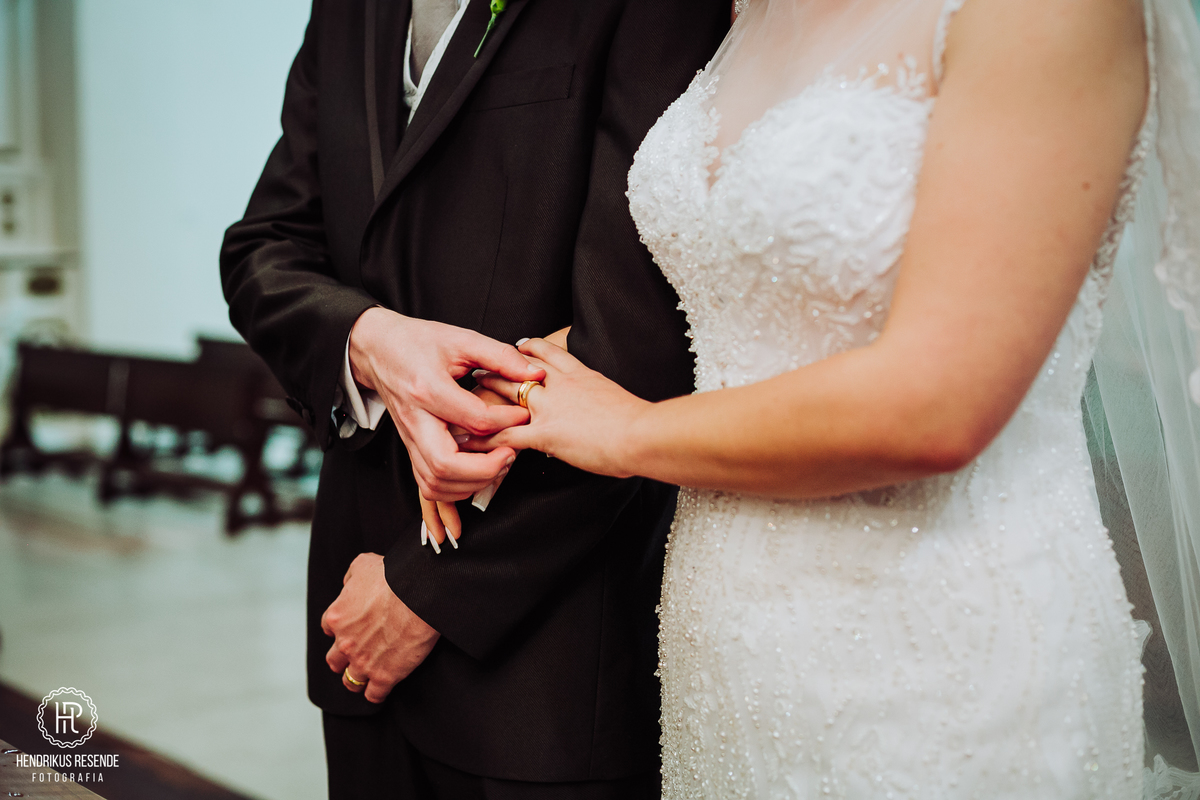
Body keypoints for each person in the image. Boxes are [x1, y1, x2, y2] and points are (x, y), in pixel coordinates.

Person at [430, 0, 1200, 795]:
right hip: (727, 639)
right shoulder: (750, 9)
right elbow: (742, 296)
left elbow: (938, 404)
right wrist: (514, 386)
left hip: (947, 642)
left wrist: (628, 432)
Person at [219, 1, 729, 797]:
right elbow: (264, 248)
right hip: (351, 618)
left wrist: (424, 591)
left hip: (545, 658)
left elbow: (638, 347)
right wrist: (369, 339)